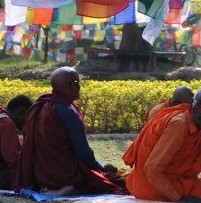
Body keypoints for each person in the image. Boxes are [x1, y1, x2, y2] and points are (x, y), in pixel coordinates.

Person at [17, 67, 125, 195]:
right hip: (65, 174)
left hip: (40, 177)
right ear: (71, 86)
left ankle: (56, 188)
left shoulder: (40, 106)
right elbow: (83, 152)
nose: (79, 87)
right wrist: (101, 166)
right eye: (76, 83)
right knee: (119, 182)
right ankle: (69, 188)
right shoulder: (67, 111)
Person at [123, 87, 201, 202]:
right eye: (200, 106)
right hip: (153, 187)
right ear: (192, 102)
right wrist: (179, 198)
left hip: (172, 179)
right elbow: (152, 169)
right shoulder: (179, 125)